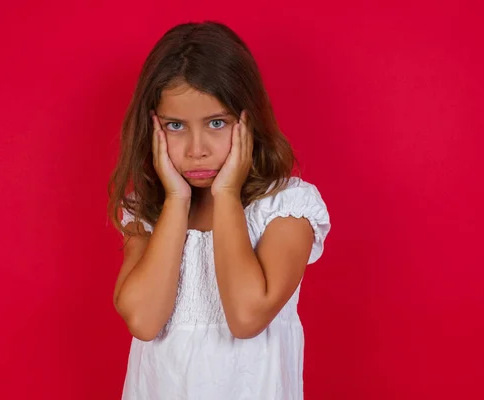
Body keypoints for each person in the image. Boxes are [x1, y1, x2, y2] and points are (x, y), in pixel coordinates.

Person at [107, 20, 331, 400]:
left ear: (249, 120)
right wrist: (176, 201)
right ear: (153, 128)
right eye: (176, 126)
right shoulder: (149, 215)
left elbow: (246, 316)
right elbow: (143, 321)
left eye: (216, 123)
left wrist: (227, 194)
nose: (197, 149)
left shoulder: (287, 209)